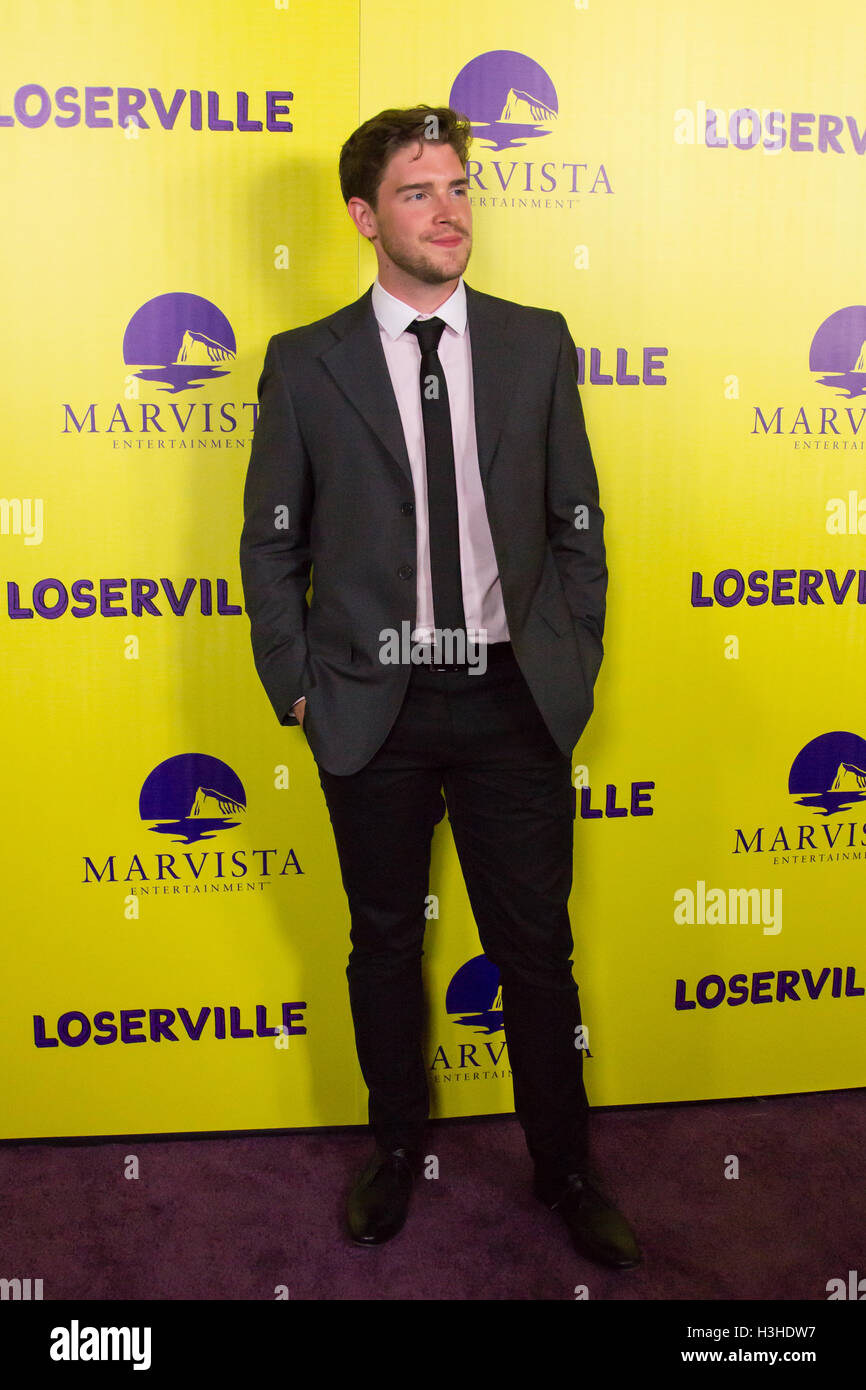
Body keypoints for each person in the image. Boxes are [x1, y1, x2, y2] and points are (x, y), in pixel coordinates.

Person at [239, 104, 641, 1269]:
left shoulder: (534, 339)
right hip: (372, 705)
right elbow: (271, 543)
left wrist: (569, 652)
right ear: (364, 217)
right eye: (417, 191)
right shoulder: (304, 362)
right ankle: (394, 1150)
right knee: (380, 946)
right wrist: (298, 684)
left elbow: (579, 522)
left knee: (536, 953)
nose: (448, 207)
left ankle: (563, 1171)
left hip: (513, 696)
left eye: (458, 185)